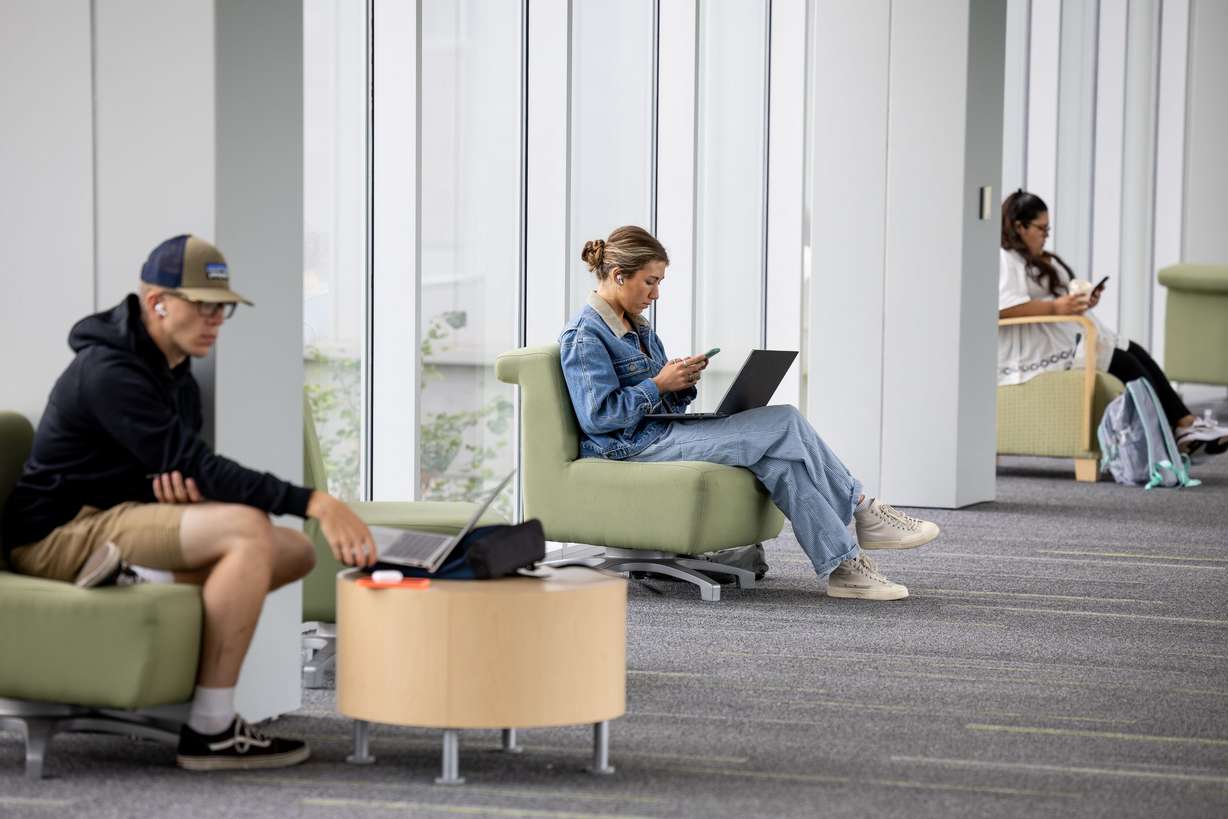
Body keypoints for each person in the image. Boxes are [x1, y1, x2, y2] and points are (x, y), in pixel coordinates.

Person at [1, 235, 379, 771]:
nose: (215, 320)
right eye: (202, 305)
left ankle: (140, 578)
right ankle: (211, 728)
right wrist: (315, 500)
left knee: (293, 551)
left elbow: (182, 470)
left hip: (116, 524)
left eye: (221, 308)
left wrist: (175, 486)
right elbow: (196, 466)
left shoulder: (175, 375)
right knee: (249, 530)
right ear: (157, 302)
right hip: (57, 535)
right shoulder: (110, 371)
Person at [558, 226, 940, 601]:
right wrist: (657, 384)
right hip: (628, 447)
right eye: (650, 282)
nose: (656, 294)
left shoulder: (638, 327)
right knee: (786, 419)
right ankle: (863, 508)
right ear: (619, 275)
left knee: (781, 461)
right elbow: (599, 418)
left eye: (659, 283)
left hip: (657, 433)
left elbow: (660, 407)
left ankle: (845, 568)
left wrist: (680, 383)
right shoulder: (585, 335)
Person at [998, 190, 1227, 454]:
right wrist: (1056, 306)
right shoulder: (1006, 260)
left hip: (1058, 336)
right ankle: (1172, 433)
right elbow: (1002, 308)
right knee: (1123, 361)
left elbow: (1058, 299)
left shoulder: (1038, 259)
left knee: (1134, 350)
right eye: (1041, 229)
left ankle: (1184, 424)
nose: (1045, 236)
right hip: (1029, 349)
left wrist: (1082, 301)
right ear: (1019, 226)